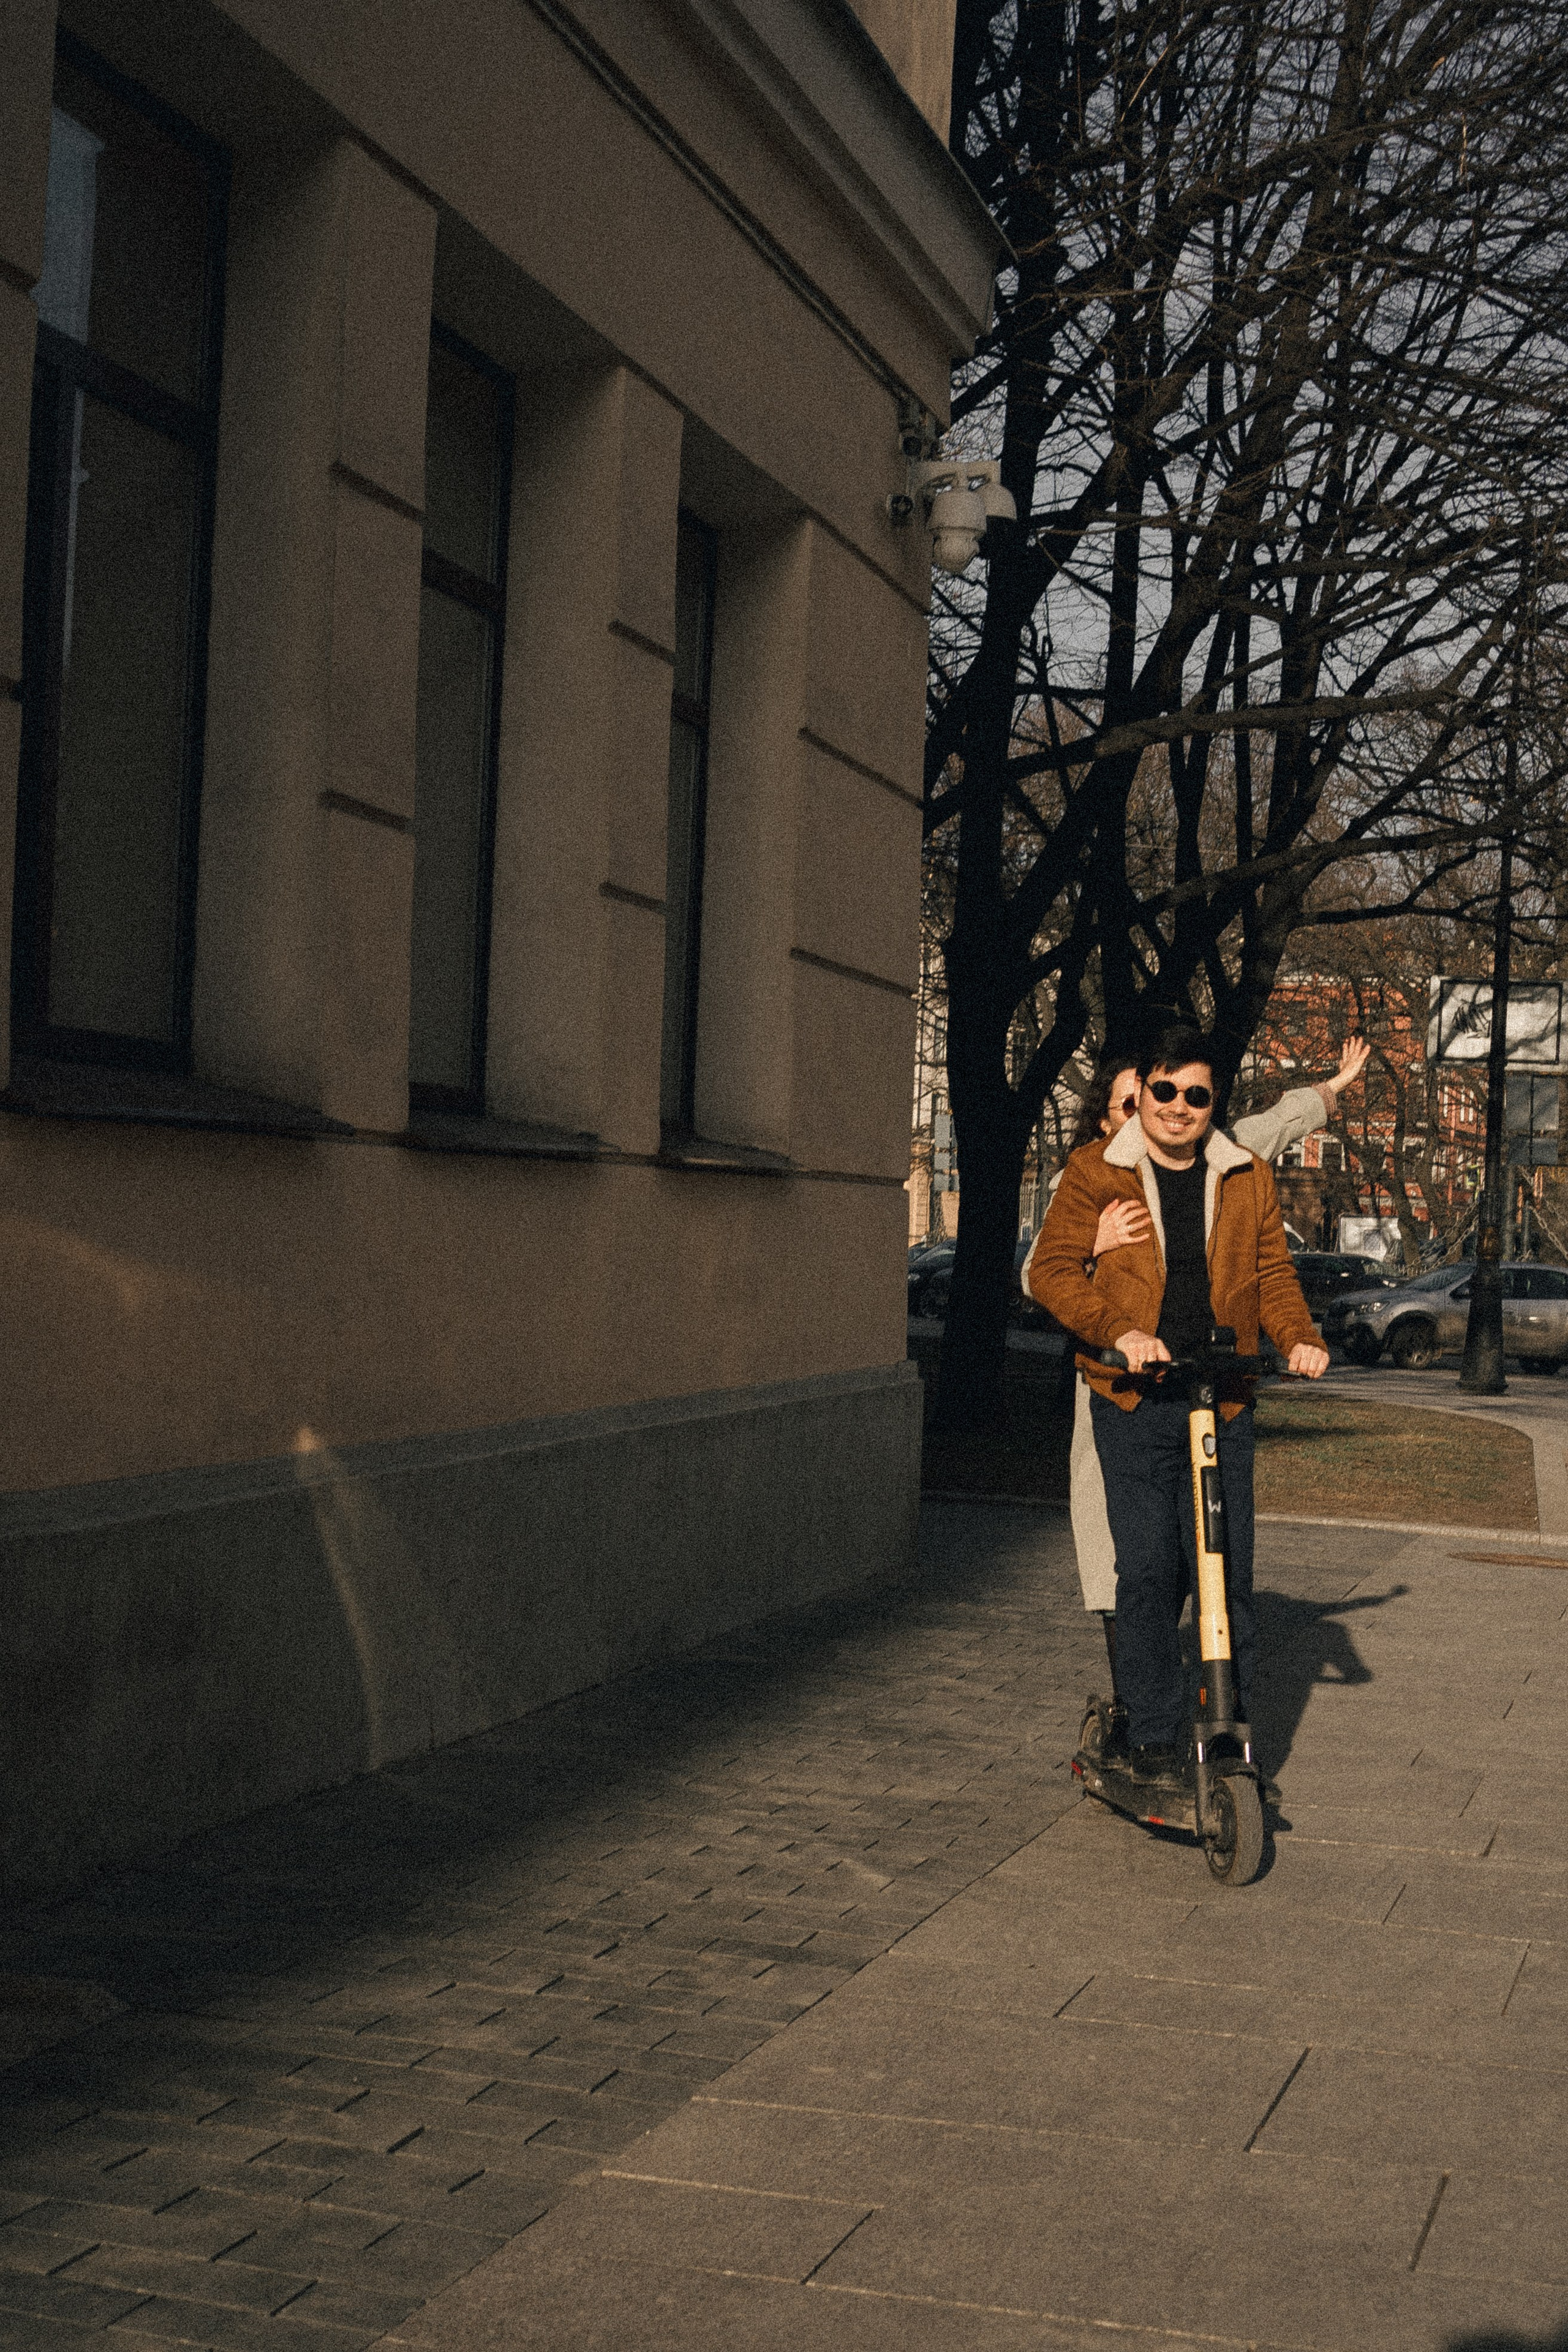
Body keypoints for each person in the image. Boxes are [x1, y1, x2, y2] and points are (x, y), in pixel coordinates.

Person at [1025, 1037, 1368, 1712]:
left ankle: (1227, 1730)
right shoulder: (1093, 1171)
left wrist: (1300, 1339)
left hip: (1221, 1399)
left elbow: (1271, 1274)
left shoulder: (1244, 1171)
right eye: (1162, 1091)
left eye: (1196, 1095)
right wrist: (1118, 1334)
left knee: (1224, 1571)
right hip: (1129, 1399)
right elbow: (1048, 1271)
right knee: (1147, 1570)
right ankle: (1149, 1730)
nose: (1177, 1107)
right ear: (1142, 1092)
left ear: (1212, 1105)